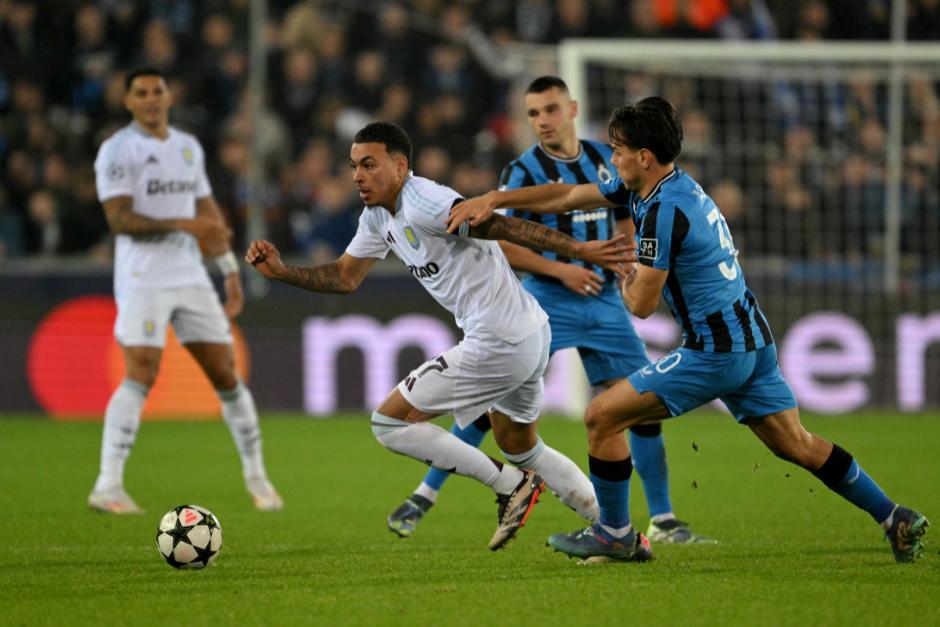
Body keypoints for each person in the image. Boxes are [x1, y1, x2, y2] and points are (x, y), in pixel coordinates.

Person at [446, 97, 929, 563]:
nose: (610, 158)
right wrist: (497, 198)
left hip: (716, 351)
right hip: (754, 340)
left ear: (644, 156)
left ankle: (614, 533)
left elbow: (640, 305)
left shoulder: (660, 213)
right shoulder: (662, 187)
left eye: (616, 150)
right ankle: (894, 516)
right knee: (796, 443)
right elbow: (568, 195)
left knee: (601, 416)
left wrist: (621, 265)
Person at [246, 121, 634, 550]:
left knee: (388, 422)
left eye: (369, 165)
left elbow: (499, 227)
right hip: (528, 331)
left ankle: (509, 485)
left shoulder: (426, 202)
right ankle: (614, 529)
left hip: (500, 339)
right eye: (354, 165)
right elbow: (343, 277)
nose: (357, 175)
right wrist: (283, 272)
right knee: (522, 445)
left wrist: (577, 250)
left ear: (400, 166)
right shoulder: (376, 217)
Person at [387, 76, 712, 545]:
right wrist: (563, 271)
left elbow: (627, 222)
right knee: (489, 406)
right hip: (547, 299)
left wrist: (628, 269)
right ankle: (425, 494)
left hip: (603, 300)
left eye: (551, 109)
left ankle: (661, 519)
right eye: (534, 113)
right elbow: (500, 241)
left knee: (640, 410)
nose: (543, 121)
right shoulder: (521, 172)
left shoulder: (609, 157)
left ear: (572, 108)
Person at [89, 67, 282, 514]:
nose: (153, 98)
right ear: (129, 101)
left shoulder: (187, 147)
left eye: (159, 90)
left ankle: (257, 478)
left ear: (168, 96)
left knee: (225, 374)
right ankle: (108, 483)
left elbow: (207, 215)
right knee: (141, 370)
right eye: (143, 92)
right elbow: (118, 219)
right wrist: (183, 224)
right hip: (143, 277)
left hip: (191, 274)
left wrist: (229, 270)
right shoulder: (117, 150)